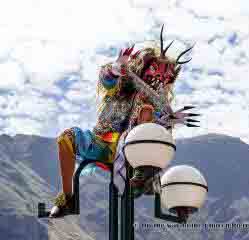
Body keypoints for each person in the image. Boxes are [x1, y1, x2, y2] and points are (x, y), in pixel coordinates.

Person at [49, 25, 198, 217]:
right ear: (144, 67)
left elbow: (159, 135)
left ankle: (143, 177)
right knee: (67, 138)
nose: (158, 78)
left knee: (147, 115)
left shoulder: (157, 106)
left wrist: (170, 120)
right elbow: (107, 79)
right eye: (155, 70)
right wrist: (115, 69)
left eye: (164, 76)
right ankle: (67, 198)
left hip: (132, 152)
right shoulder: (122, 87)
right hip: (102, 142)